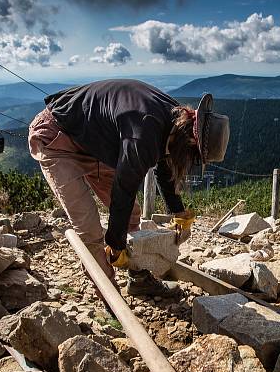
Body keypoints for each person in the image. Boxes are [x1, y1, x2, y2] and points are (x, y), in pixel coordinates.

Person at [28, 79, 230, 296]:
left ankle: (138, 278)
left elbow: (164, 163)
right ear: (190, 142)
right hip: (56, 136)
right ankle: (110, 299)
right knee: (89, 228)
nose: (190, 161)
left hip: (94, 142)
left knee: (132, 215)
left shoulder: (177, 121)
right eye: (193, 156)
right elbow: (123, 188)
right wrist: (116, 244)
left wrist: (178, 212)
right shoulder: (144, 131)